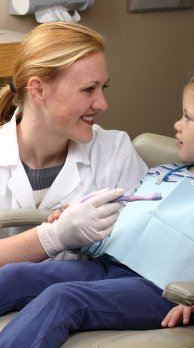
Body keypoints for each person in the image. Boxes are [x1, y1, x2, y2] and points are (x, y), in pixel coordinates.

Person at [0, 66, 194, 348]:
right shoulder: (164, 174)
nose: (177, 125)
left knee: (63, 298)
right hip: (109, 268)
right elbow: (121, 233)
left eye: (188, 117)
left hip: (164, 291)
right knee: (15, 275)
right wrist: (82, 233)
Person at [0, 21, 147, 264]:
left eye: (103, 87)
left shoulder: (114, 152)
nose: (102, 103)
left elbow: (147, 248)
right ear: (38, 90)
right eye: (89, 89)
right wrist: (54, 237)